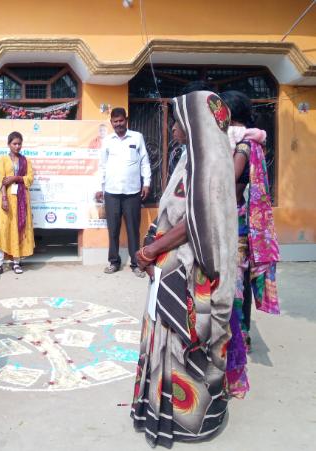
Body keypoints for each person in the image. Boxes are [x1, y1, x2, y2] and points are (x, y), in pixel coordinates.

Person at [130, 91, 238, 447]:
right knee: (164, 343)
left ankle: (187, 421)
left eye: (178, 121)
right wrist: (151, 248)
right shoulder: (191, 157)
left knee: (183, 345)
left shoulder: (210, 164)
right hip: (170, 268)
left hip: (193, 276)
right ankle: (164, 412)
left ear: (196, 124)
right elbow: (170, 209)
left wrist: (151, 250)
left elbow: (196, 220)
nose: (174, 127)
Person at [220, 90, 280, 352]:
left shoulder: (242, 145)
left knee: (234, 282)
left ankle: (237, 336)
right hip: (241, 218)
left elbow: (227, 179)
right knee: (239, 281)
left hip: (234, 221)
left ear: (230, 115)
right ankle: (240, 333)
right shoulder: (251, 139)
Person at [95, 107, 151, 277]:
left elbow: (145, 162)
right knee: (113, 230)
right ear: (111, 122)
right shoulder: (107, 141)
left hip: (132, 192)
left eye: (121, 120)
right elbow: (102, 166)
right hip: (111, 192)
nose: (118, 124)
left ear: (126, 120)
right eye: (115, 121)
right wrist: (99, 187)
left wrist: (146, 183)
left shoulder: (137, 137)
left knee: (133, 229)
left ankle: (136, 264)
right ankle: (114, 262)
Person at [0, 131, 35, 277]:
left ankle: (16, 262)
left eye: (19, 144)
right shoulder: (3, 160)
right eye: (14, 143)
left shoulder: (26, 161)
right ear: (8, 144)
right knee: (3, 230)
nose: (17, 146)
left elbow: (30, 179)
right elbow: (2, 181)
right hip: (7, 198)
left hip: (22, 199)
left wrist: (16, 178)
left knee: (18, 228)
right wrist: (4, 198)